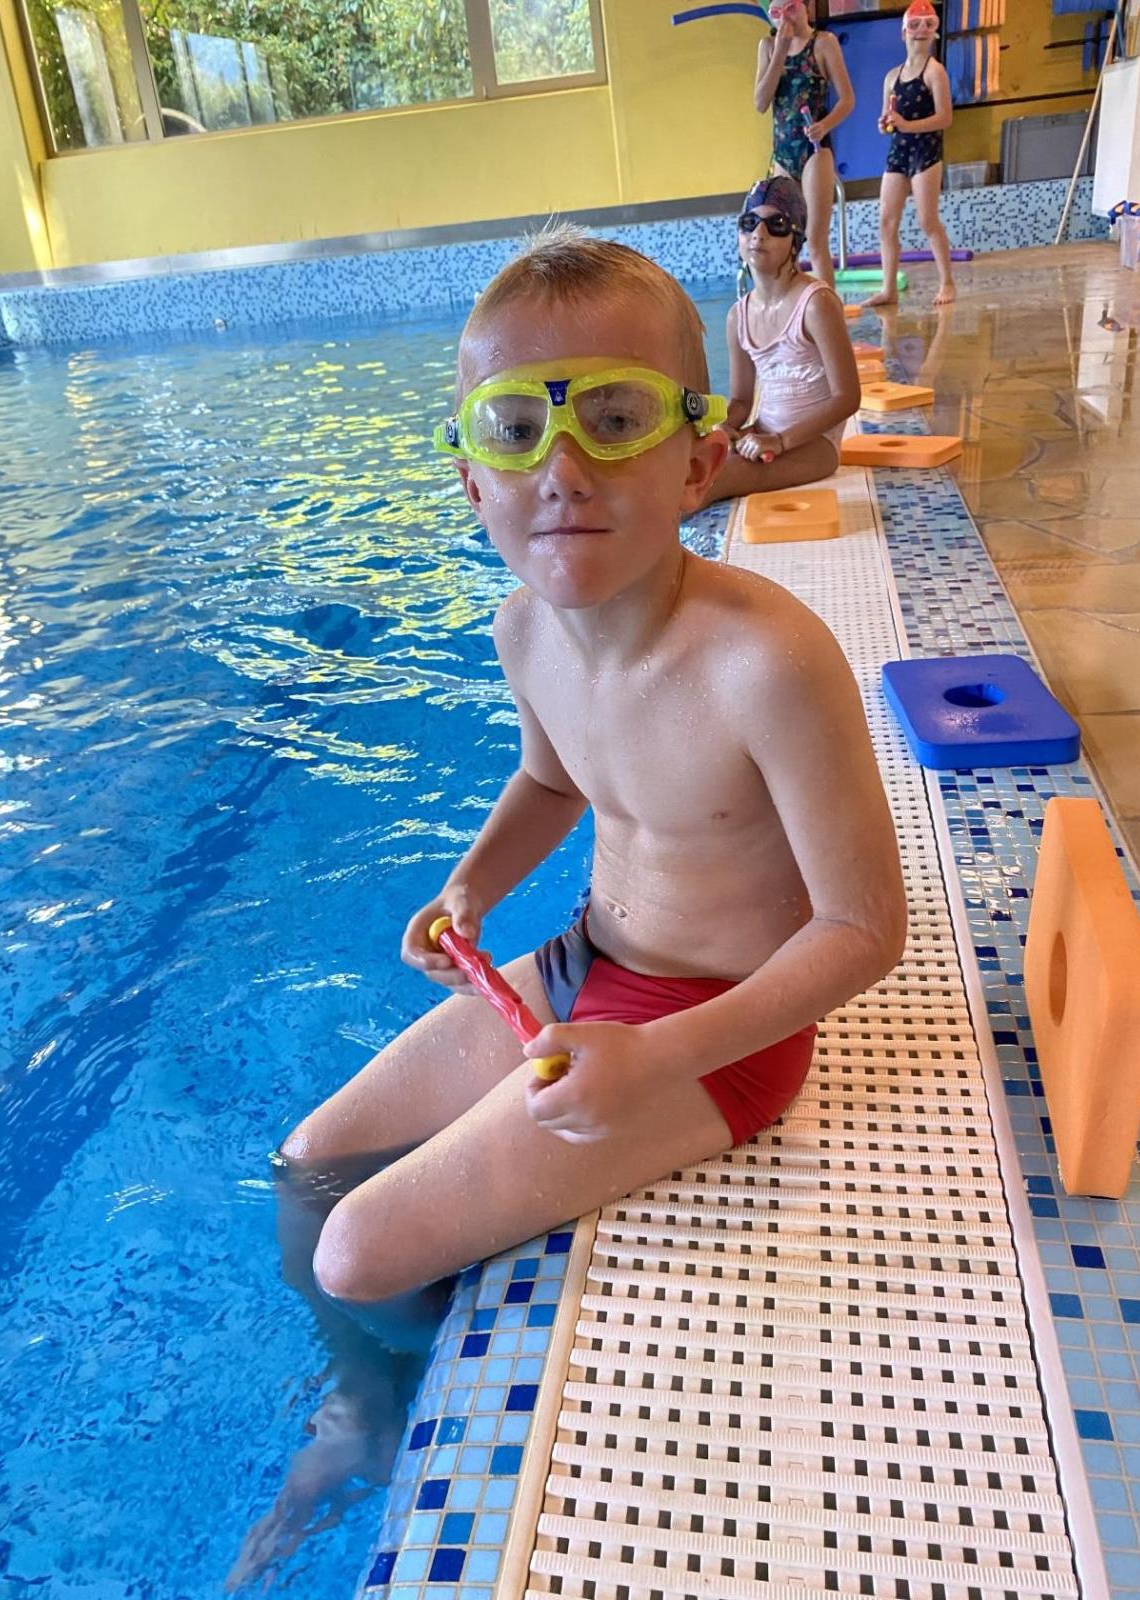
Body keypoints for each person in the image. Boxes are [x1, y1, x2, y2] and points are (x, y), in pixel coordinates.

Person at [275, 224, 905, 1315]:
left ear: (698, 463)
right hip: (582, 966)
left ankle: (377, 1384)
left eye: (615, 421)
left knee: (353, 1253)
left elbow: (863, 929)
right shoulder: (523, 630)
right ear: (474, 483)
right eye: (517, 430)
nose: (563, 473)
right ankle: (372, 1396)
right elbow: (552, 779)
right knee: (309, 1166)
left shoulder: (768, 662)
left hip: (721, 1036)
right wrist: (471, 886)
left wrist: (658, 1058)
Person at [703, 176, 860, 507]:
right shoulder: (738, 316)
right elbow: (741, 401)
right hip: (764, 433)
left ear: (795, 241)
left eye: (776, 225)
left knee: (715, 479)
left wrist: (780, 441)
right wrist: (725, 427)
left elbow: (847, 398)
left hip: (814, 445)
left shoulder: (815, 304)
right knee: (690, 465)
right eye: (749, 223)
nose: (758, 234)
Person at [755, 0, 855, 289]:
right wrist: (780, 51)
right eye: (776, 13)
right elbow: (760, 103)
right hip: (783, 154)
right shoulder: (768, 46)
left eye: (791, 8)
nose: (784, 18)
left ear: (806, 8)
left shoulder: (823, 43)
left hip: (815, 151)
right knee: (786, 242)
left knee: (815, 239)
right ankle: (795, 307)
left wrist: (825, 124)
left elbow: (848, 99)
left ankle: (829, 309)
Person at [866, 0, 956, 307]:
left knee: (927, 220)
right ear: (903, 33)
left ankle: (947, 282)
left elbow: (945, 118)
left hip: (926, 152)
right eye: (915, 25)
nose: (921, 31)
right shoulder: (892, 77)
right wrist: (885, 125)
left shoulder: (935, 72)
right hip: (899, 151)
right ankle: (888, 289)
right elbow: (887, 120)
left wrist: (907, 125)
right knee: (886, 221)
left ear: (935, 33)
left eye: (928, 25)